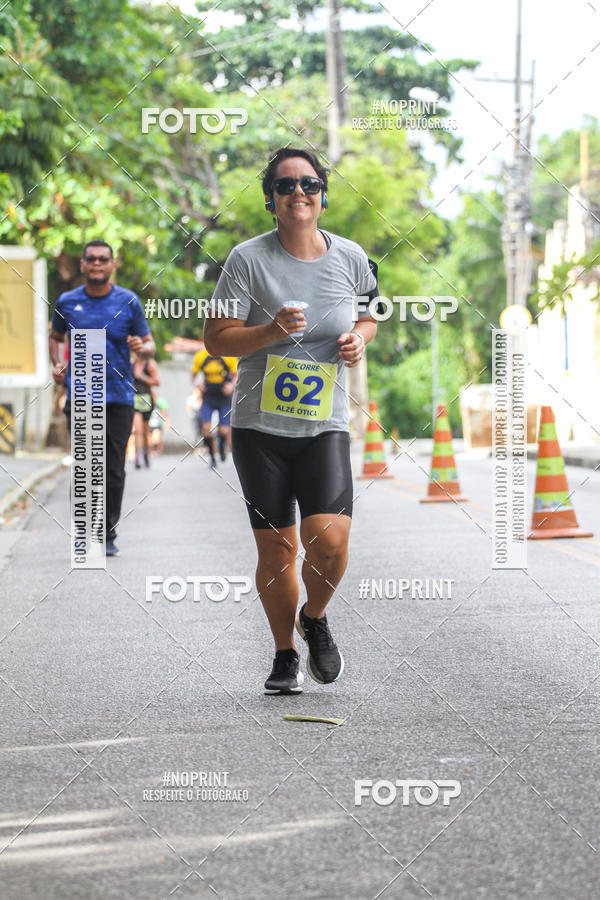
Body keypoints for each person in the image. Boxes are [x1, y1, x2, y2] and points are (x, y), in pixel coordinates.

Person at [203, 147, 379, 694]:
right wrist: (271, 331)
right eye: (285, 186)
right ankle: (284, 655)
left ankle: (316, 616)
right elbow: (217, 338)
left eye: (308, 184)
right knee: (277, 548)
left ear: (323, 196)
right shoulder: (246, 260)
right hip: (259, 428)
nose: (297, 192)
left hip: (324, 423)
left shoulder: (352, 258)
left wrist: (357, 341)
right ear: (269, 200)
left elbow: (370, 315)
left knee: (329, 538)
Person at [49, 239, 155, 557]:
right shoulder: (67, 302)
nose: (97, 264)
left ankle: (107, 532)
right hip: (81, 395)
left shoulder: (129, 301)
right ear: (82, 265)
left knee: (113, 468)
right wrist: (57, 363)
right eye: (91, 259)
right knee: (85, 465)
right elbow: (55, 337)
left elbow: (149, 344)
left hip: (120, 397)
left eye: (103, 259)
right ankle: (83, 534)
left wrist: (142, 348)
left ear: (112, 265)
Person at [190, 347, 237, 468]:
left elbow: (236, 374)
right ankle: (212, 457)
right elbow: (193, 376)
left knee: (224, 430)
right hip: (208, 396)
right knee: (206, 429)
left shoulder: (229, 355)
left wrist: (231, 385)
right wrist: (198, 385)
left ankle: (221, 446)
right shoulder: (200, 356)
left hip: (224, 396)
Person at [132, 356, 160, 468]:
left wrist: (142, 376)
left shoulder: (150, 363)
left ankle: (146, 455)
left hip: (146, 400)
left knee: (144, 432)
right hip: (134, 400)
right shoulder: (131, 362)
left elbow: (157, 382)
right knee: (137, 430)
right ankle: (137, 457)